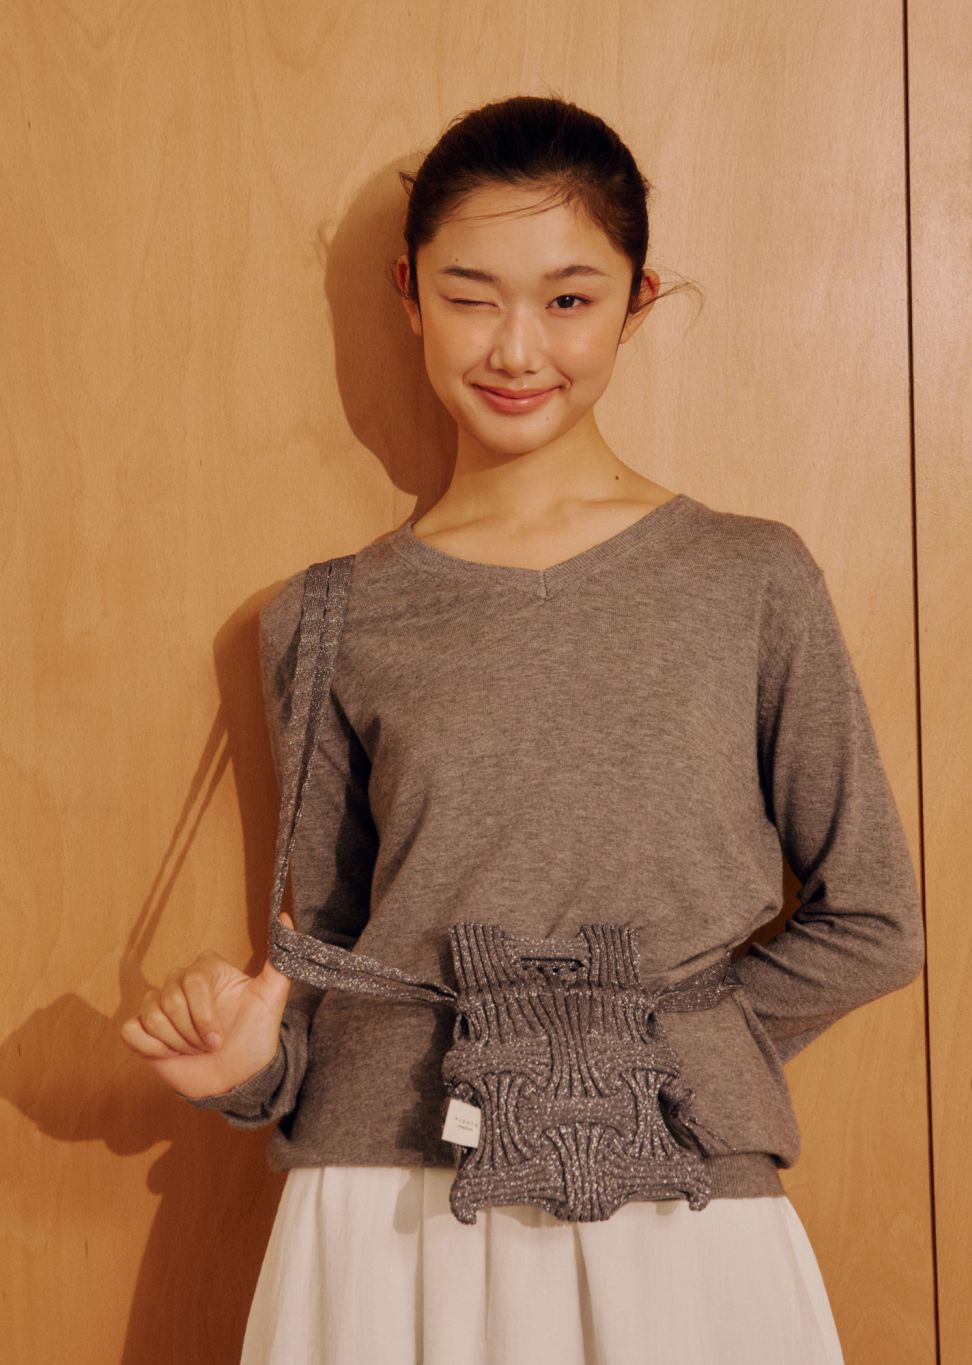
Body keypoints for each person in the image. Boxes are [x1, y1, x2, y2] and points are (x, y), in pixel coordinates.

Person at [120, 94, 925, 1364]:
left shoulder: (750, 578)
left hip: (680, 1198)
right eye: (470, 295)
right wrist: (246, 1072)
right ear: (410, 295)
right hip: (382, 1211)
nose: (515, 347)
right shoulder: (325, 618)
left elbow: (874, 923)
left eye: (568, 298)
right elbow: (334, 955)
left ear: (636, 302)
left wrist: (624, 1054)